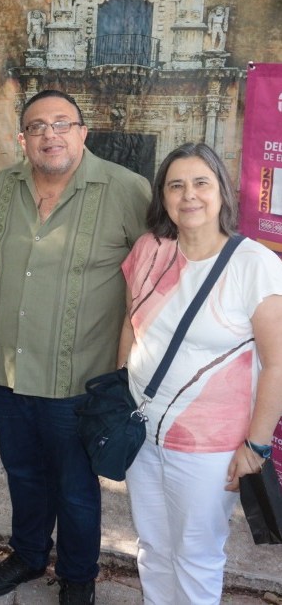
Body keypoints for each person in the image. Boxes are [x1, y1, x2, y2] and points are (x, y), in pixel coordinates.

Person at [0, 89, 150, 603]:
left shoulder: (126, 190)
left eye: (62, 124)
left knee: (75, 488)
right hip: (7, 374)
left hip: (79, 380)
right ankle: (28, 555)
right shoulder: (3, 187)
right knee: (23, 474)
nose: (50, 135)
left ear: (82, 132)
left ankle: (77, 576)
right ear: (22, 138)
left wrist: (129, 361)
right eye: (37, 126)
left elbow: (153, 276)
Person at [118, 142, 282, 605]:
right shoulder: (149, 250)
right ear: (163, 197)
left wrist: (256, 446)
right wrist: (118, 393)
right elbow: (130, 323)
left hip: (208, 449)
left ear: (222, 192)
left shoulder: (255, 265)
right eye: (176, 185)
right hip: (141, 434)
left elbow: (277, 364)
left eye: (200, 183)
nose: (188, 195)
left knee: (196, 557)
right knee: (152, 548)